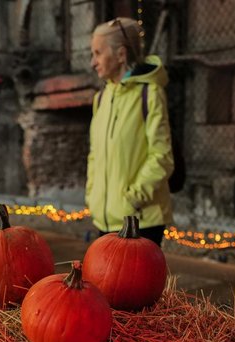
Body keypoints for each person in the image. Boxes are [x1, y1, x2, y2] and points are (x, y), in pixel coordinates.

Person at [86, 17, 174, 246]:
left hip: (141, 221)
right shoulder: (101, 99)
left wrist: (133, 199)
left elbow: (162, 157)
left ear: (121, 54)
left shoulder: (150, 94)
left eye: (98, 53)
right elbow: (95, 155)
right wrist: (93, 196)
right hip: (105, 220)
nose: (93, 62)